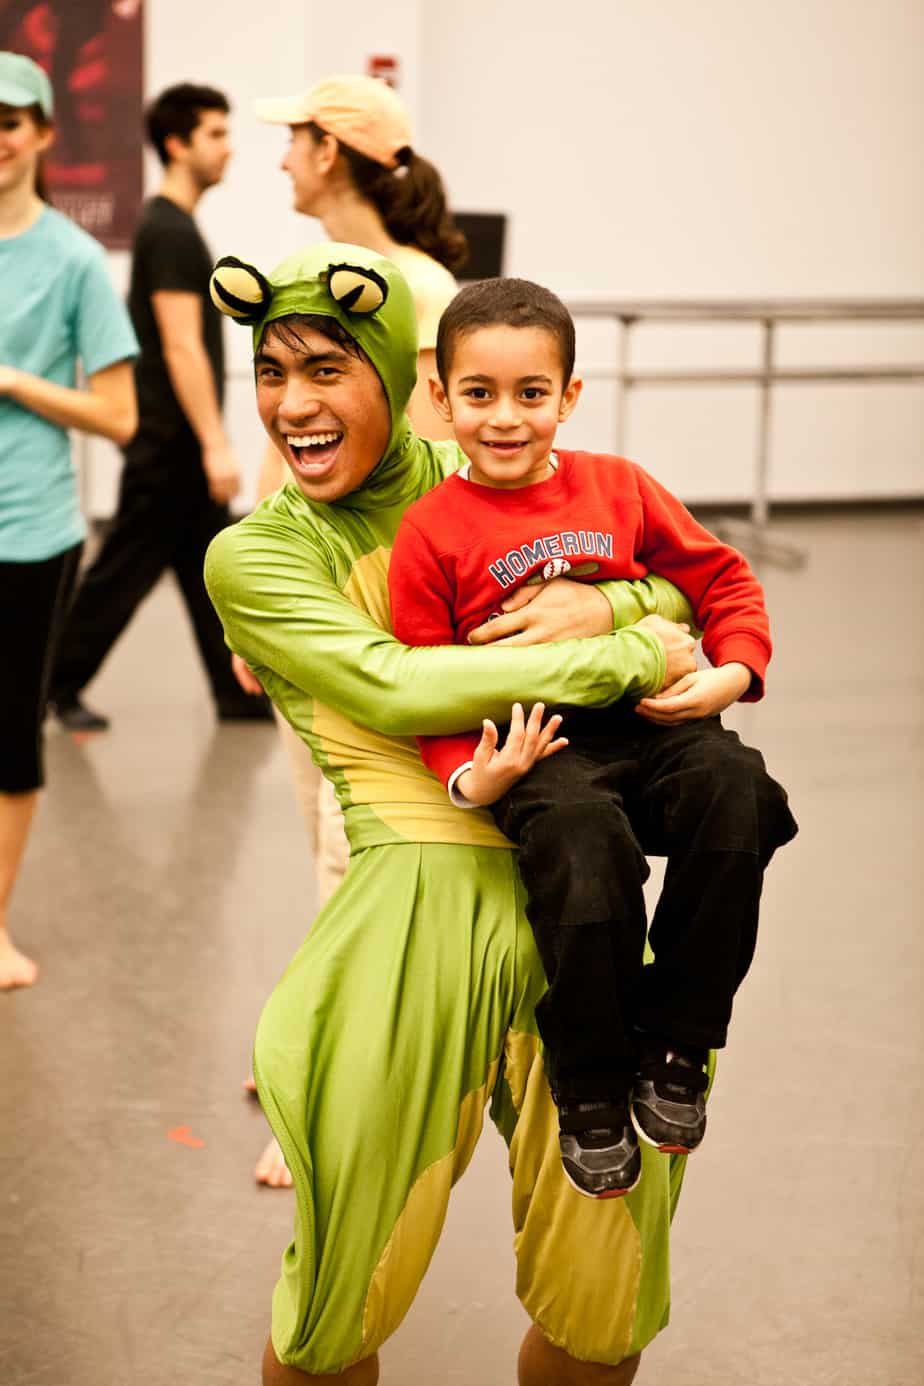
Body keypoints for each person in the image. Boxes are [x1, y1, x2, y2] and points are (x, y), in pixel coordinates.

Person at [205, 240, 703, 1384]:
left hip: (578, 894)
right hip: (406, 930)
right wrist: (626, 648)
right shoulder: (258, 557)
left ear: (397, 371)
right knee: (337, 1302)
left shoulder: (488, 469)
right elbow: (396, 686)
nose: (292, 404)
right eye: (271, 373)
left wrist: (607, 602)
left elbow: (686, 574)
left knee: (607, 1298)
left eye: (326, 368)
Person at [387, 276, 798, 1198]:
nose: (505, 417)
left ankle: (678, 1040)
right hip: (539, 746)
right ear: (441, 399)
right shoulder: (430, 534)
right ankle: (592, 1083)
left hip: (657, 722)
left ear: (568, 397)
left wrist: (732, 672)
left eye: (530, 393)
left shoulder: (620, 487)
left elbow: (724, 581)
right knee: (583, 850)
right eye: (480, 393)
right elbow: (422, 683)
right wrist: (471, 778)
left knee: (740, 794)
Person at [237, 73, 469, 1185]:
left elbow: (433, 476)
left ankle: (326, 1093)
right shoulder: (310, 274)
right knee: (323, 836)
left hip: (371, 618)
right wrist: (256, 604)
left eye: (294, 139)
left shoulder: (416, 289)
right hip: (304, 600)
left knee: (355, 846)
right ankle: (321, 1027)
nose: (282, 156)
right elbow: (290, 450)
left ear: (331, 150)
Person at [48, 81, 266, 732]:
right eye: (215, 134)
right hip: (168, 443)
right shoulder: (168, 229)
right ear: (177, 144)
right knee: (122, 574)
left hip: (175, 440)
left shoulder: (173, 224)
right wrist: (216, 443)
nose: (228, 148)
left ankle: (235, 692)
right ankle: (51, 684)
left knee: (207, 570)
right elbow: (180, 345)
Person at [0, 51, 137, 989]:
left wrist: (13, 380)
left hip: (27, 532)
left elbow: (119, 416)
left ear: (43, 133)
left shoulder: (74, 262)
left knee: (9, 739)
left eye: (10, 123)